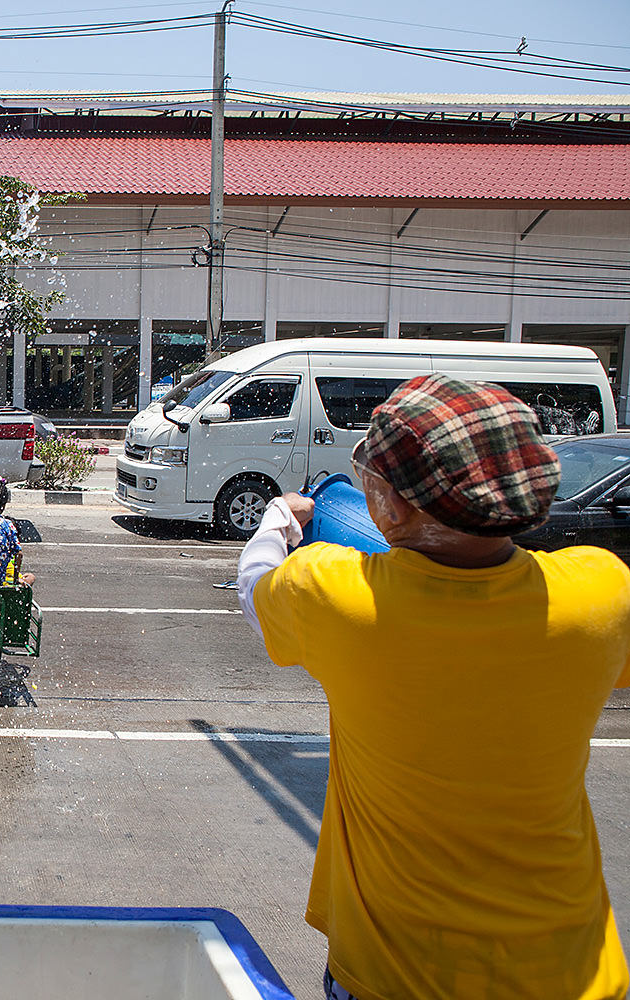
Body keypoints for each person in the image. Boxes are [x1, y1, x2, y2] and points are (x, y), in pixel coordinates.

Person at [236, 374, 630, 1000]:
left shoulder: (339, 595)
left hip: (395, 977)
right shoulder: (599, 593)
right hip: (574, 973)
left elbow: (256, 583)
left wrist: (280, 517)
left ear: (391, 507)